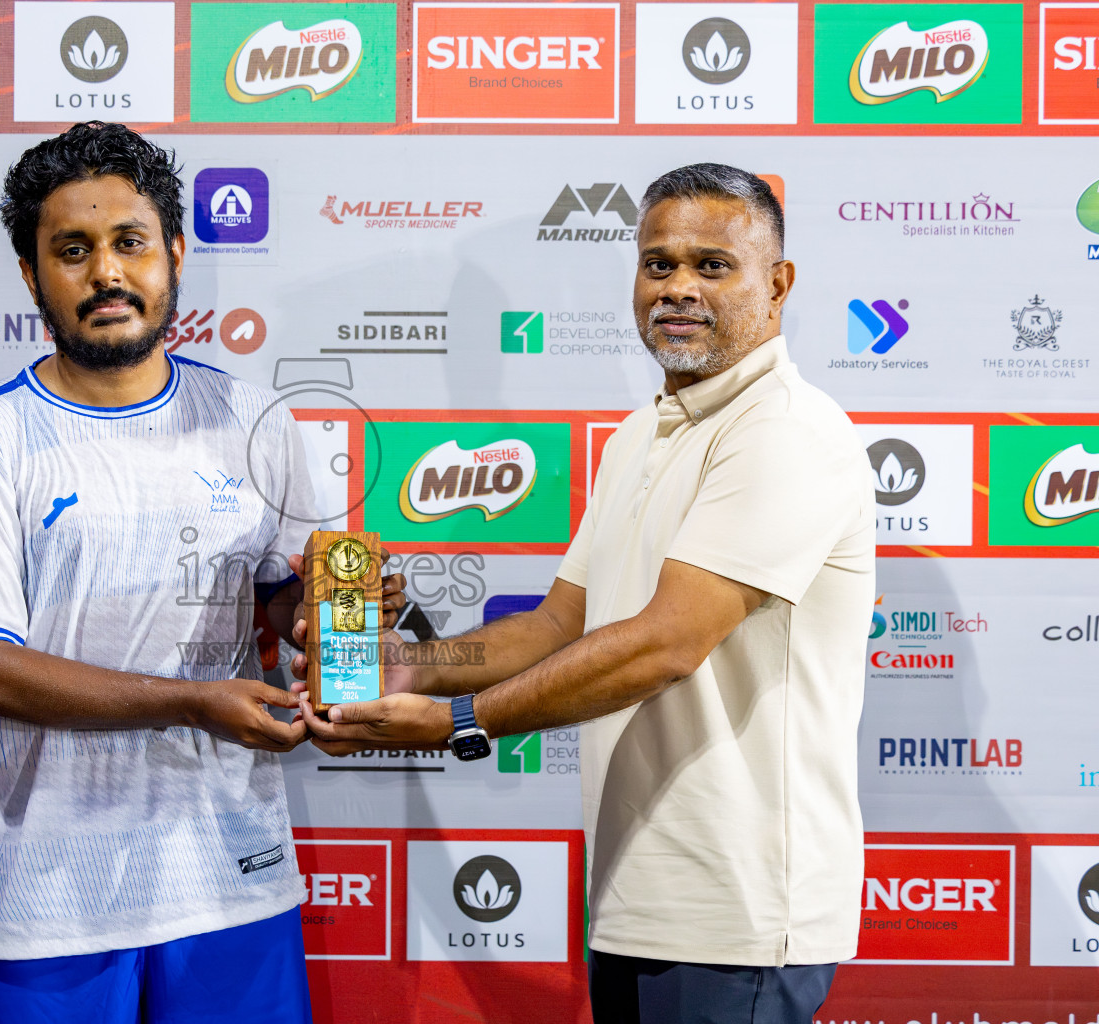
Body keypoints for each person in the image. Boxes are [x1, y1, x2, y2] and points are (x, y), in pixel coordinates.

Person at [298, 163, 875, 1024]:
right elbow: (560, 623)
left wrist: (460, 722)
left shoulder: (789, 433)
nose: (677, 287)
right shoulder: (644, 431)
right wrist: (409, 668)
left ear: (778, 285)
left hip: (741, 913)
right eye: (658, 263)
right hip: (638, 893)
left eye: (712, 265)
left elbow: (665, 643)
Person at [0, 121, 404, 1023]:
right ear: (32, 275)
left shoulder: (254, 419)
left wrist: (336, 614)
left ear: (174, 253)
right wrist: (190, 700)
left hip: (229, 874)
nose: (106, 273)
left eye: (130, 242)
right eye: (73, 250)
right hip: (49, 901)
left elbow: (288, 593)